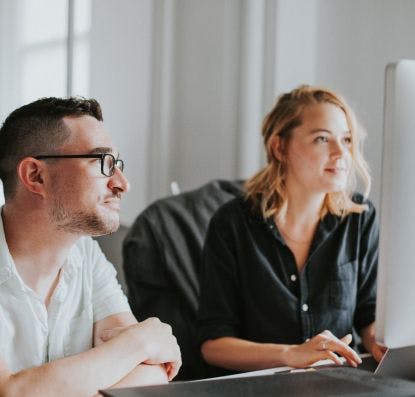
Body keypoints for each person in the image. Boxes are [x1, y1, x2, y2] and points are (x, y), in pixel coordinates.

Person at [198, 85, 386, 374]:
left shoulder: (359, 218)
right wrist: (291, 354)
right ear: (279, 147)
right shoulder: (232, 224)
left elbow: (368, 314)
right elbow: (214, 345)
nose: (341, 153)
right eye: (322, 139)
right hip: (259, 389)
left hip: (336, 387)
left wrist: (380, 343)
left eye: (347, 140)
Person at [0, 97, 181, 396]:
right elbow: (11, 392)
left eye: (117, 165)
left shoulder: (86, 253)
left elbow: (152, 372)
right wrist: (138, 342)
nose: (122, 183)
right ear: (36, 176)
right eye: (102, 163)